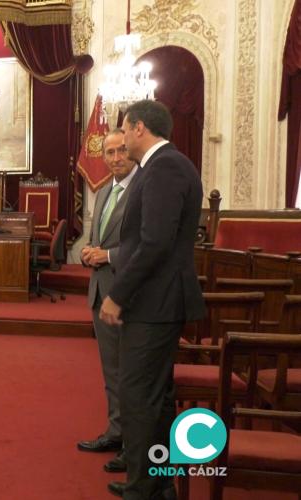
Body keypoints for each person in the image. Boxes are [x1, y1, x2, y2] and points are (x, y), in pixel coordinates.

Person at [99, 100, 205, 499]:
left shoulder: (165, 167)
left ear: (140, 128)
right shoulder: (162, 166)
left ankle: (144, 489)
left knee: (140, 395)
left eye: (124, 130)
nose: (122, 139)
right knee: (156, 398)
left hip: (154, 302)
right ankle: (158, 485)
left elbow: (155, 242)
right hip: (158, 300)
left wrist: (118, 295)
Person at [77, 129, 138, 475]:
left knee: (129, 373)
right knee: (111, 372)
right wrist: (90, 252)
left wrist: (109, 255)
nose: (115, 158)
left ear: (132, 152)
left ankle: (134, 444)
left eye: (121, 151)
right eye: (109, 152)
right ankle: (116, 432)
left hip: (128, 296)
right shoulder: (103, 192)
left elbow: (149, 244)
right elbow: (96, 238)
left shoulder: (143, 191)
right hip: (100, 292)